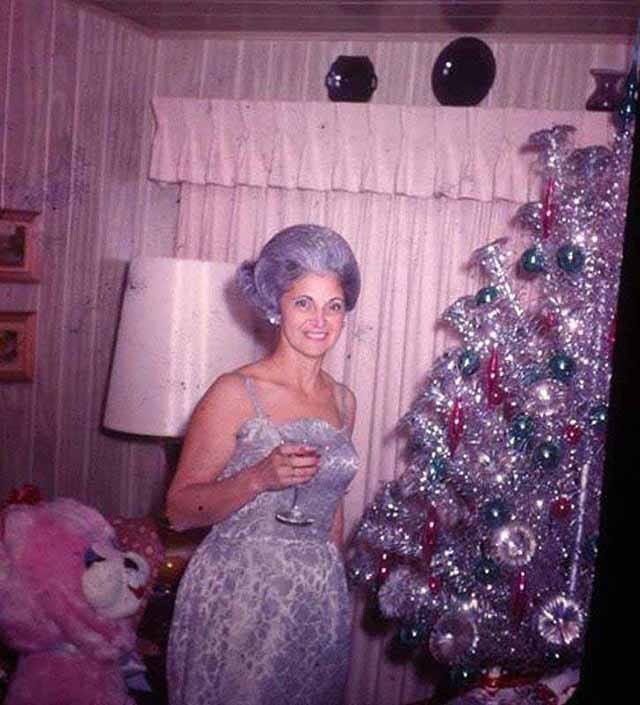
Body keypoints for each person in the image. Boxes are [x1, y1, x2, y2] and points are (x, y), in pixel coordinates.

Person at [165, 224, 361, 705]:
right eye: (304, 303)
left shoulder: (343, 400)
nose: (320, 320)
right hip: (239, 596)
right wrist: (258, 478)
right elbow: (178, 511)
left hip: (315, 599)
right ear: (277, 306)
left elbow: (332, 512)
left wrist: (331, 589)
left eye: (334, 306)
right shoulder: (234, 392)